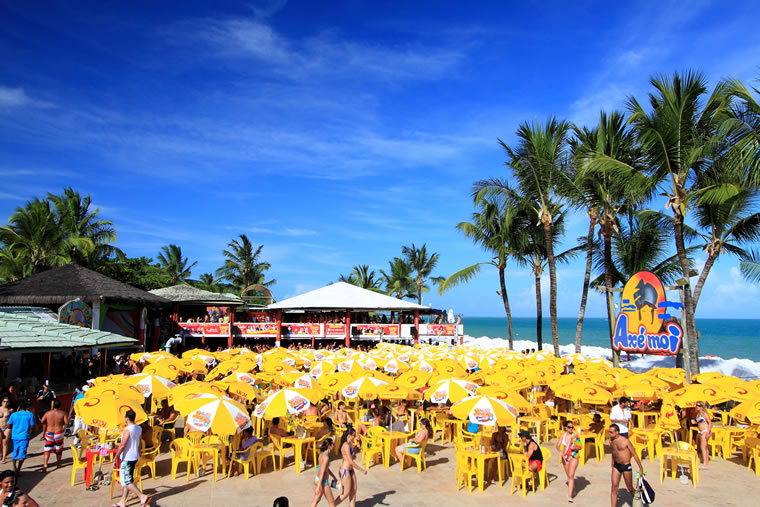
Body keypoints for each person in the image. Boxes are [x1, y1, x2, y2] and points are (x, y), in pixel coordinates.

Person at [113, 409, 151, 507]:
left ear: (127, 418)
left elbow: (122, 444)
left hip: (127, 457)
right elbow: (138, 442)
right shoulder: (138, 428)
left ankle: (142, 496)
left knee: (125, 481)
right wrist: (139, 453)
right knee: (128, 478)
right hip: (134, 456)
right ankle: (122, 502)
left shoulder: (127, 430)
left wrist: (116, 456)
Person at [608, 423, 644, 507]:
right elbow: (613, 452)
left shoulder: (625, 441)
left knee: (630, 487)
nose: (609, 434)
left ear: (617, 432)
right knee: (614, 488)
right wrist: (612, 462)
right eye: (609, 432)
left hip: (626, 466)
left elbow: (634, 454)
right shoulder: (611, 441)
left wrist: (641, 468)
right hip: (616, 466)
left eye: (611, 432)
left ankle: (638, 499)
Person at [335, 425, 366, 507]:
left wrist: (355, 448)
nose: (355, 437)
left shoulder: (349, 444)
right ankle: (332, 505)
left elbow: (351, 456)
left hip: (350, 470)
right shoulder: (345, 445)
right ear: (350, 435)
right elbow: (350, 461)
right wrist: (361, 469)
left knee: (354, 490)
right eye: (354, 435)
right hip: (345, 470)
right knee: (345, 493)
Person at [6, 400, 35, 474]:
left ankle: (14, 467)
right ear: (27, 407)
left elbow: (9, 425)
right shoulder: (30, 415)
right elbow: (32, 426)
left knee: (15, 450)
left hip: (15, 436)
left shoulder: (14, 415)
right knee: (22, 453)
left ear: (19, 407)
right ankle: (18, 469)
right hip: (24, 436)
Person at [556, 420, 582, 502]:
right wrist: (560, 452)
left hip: (574, 456)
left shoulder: (575, 436)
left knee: (571, 475)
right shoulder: (562, 436)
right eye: (569, 427)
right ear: (566, 428)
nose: (571, 429)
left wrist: (575, 448)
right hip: (565, 456)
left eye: (572, 427)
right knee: (568, 475)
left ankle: (569, 496)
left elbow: (580, 446)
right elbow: (557, 445)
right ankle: (573, 489)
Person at [40, 399, 68, 472]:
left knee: (47, 449)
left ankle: (45, 465)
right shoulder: (63, 413)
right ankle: (58, 463)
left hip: (49, 433)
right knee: (59, 448)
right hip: (58, 432)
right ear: (60, 406)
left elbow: (42, 421)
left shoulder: (47, 413)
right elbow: (66, 422)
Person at [309, 438, 338, 507]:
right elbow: (322, 472)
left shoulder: (322, 454)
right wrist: (319, 485)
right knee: (332, 502)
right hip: (323, 482)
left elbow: (325, 468)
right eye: (333, 444)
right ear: (329, 446)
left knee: (316, 500)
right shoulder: (326, 458)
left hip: (317, 479)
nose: (334, 446)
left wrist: (333, 476)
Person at [693, 401, 712, 469]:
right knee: (705, 447)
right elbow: (700, 422)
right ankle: (706, 462)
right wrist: (695, 422)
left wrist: (708, 432)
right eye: (697, 405)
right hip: (702, 431)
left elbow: (710, 423)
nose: (697, 406)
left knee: (703, 447)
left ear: (702, 406)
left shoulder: (704, 414)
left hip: (705, 431)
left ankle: (705, 463)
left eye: (699, 405)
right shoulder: (698, 414)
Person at [0, 397, 13, 464]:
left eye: (7, 401)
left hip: (7, 427)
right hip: (0, 427)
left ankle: (4, 458)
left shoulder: (10, 410)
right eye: (4, 401)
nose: (6, 403)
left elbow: (12, 419)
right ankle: (1, 454)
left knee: (5, 443)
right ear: (1, 402)